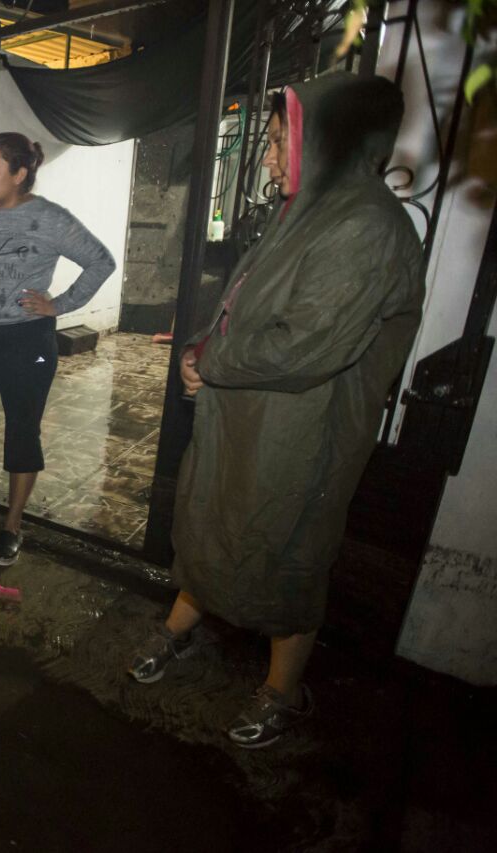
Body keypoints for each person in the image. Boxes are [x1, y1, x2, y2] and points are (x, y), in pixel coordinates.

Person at [126, 74, 425, 748]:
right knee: (214, 529)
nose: (265, 156)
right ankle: (178, 630)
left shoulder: (367, 227)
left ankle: (281, 691)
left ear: (328, 142)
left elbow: (306, 346)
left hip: (302, 432)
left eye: (279, 139)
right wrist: (202, 350)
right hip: (248, 415)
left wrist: (212, 364)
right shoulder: (308, 210)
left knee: (289, 553)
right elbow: (242, 304)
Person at [0, 132, 115, 566]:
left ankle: (12, 526)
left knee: (22, 431)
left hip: (28, 340)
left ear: (19, 174)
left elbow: (101, 261)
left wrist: (60, 304)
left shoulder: (51, 219)